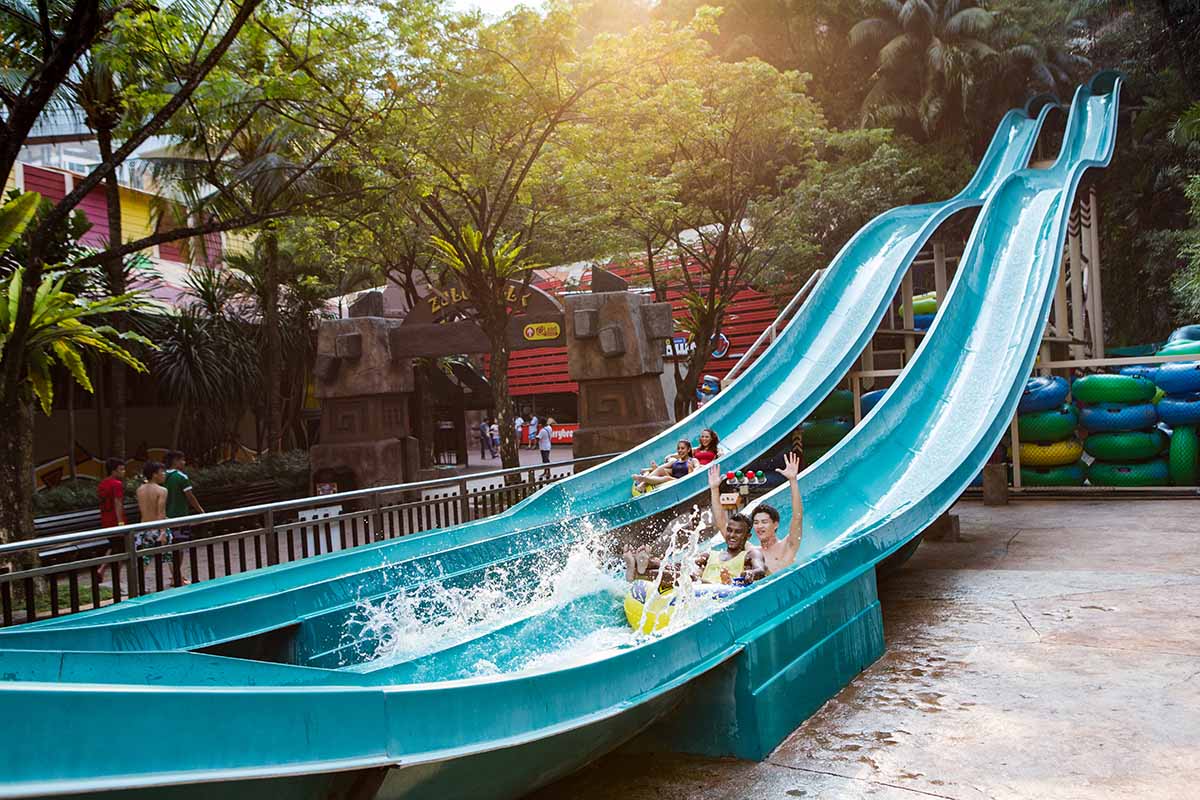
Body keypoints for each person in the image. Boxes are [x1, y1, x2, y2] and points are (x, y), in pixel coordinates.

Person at [623, 508, 766, 587]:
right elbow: (685, 564)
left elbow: (760, 569)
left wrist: (751, 574)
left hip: (719, 590)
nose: (732, 535)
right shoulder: (712, 554)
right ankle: (641, 564)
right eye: (729, 530)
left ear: (747, 536)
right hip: (700, 588)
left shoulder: (750, 554)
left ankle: (637, 573)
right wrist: (659, 563)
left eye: (738, 532)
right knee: (681, 567)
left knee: (687, 576)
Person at [708, 455, 803, 574]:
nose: (759, 526)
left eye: (764, 522)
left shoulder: (787, 546)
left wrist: (793, 481)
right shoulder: (752, 551)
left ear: (775, 524)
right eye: (756, 523)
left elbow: (797, 518)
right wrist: (714, 489)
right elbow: (722, 524)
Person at [135, 460, 184, 587]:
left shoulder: (140, 490)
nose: (164, 474)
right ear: (154, 474)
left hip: (144, 528)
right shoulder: (162, 490)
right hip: (158, 528)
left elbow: (144, 511)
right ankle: (177, 579)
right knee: (171, 555)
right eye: (162, 472)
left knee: (144, 559)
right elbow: (160, 512)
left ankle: (138, 584)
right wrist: (163, 532)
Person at [164, 451, 202, 583]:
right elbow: (190, 496)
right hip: (180, 517)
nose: (184, 463)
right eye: (182, 460)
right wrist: (201, 511)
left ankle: (176, 574)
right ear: (176, 461)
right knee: (179, 547)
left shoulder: (162, 476)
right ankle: (176, 576)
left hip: (165, 517)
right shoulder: (181, 477)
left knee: (172, 546)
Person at [95, 457, 126, 582]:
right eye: (121, 469)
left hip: (105, 519)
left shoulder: (103, 483)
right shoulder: (117, 484)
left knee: (114, 547)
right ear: (113, 471)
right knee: (120, 550)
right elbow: (118, 503)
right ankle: (116, 579)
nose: (124, 472)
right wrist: (121, 523)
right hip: (115, 520)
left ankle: (101, 570)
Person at [633, 440, 699, 488]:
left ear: (689, 450)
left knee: (667, 478)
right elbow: (663, 469)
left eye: (682, 448)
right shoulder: (676, 461)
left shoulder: (693, 460)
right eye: (678, 448)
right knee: (661, 470)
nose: (680, 450)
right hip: (673, 479)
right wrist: (652, 469)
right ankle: (643, 484)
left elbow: (698, 468)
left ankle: (644, 479)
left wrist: (692, 470)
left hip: (681, 481)